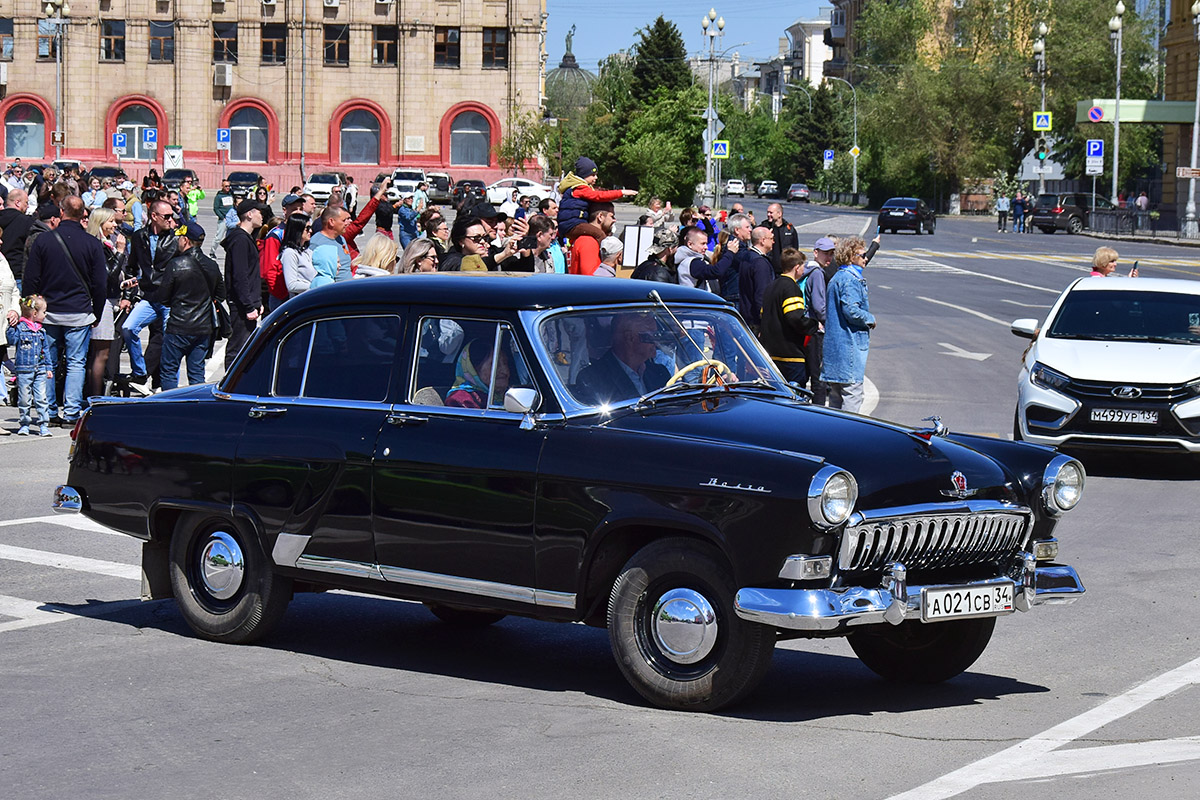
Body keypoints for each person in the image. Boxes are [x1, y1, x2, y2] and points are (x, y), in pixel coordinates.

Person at [21, 196, 107, 424]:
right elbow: (100, 283)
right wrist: (96, 311)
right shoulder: (91, 243)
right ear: (83, 215)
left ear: (61, 211)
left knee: (47, 363)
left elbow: (31, 278)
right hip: (79, 311)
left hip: (47, 312)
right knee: (76, 363)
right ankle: (70, 411)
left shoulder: (44, 241)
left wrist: (30, 309)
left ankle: (47, 411)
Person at [158, 222, 224, 391]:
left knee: (169, 371)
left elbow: (163, 298)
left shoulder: (176, 264)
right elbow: (221, 295)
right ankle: (197, 408)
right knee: (197, 372)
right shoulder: (212, 265)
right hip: (203, 327)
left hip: (179, 326)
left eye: (180, 238)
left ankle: (170, 406)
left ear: (185, 240)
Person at [122, 198, 179, 392]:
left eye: (172, 216)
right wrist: (129, 293)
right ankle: (140, 372)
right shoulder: (140, 236)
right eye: (167, 216)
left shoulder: (175, 237)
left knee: (168, 339)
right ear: (154, 216)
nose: (171, 220)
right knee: (128, 328)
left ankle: (168, 385)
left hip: (169, 298)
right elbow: (131, 266)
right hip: (149, 295)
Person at [822, 236, 877, 413]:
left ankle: (834, 436)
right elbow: (851, 311)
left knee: (836, 398)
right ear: (851, 256)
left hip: (836, 349)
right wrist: (870, 318)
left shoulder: (838, 277)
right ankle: (847, 437)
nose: (866, 258)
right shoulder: (850, 279)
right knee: (852, 396)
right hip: (849, 347)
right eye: (862, 255)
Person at [84, 208, 130, 399]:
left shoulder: (105, 244)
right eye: (110, 221)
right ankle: (95, 395)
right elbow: (107, 275)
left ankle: (93, 393)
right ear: (100, 223)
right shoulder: (99, 246)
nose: (114, 225)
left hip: (109, 299)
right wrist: (119, 252)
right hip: (103, 303)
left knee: (98, 353)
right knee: (101, 353)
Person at [575, 312, 670, 404]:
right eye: (652, 336)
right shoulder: (593, 379)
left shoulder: (660, 373)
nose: (656, 343)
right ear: (630, 338)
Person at [759, 247, 817, 385]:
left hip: (770, 352)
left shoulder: (771, 286)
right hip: (790, 354)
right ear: (797, 267)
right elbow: (794, 317)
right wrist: (813, 325)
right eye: (803, 266)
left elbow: (763, 314)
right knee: (794, 394)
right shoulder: (791, 287)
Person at [223, 198, 265, 367]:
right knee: (237, 347)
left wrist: (257, 301)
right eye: (259, 212)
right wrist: (248, 305)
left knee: (245, 347)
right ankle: (229, 386)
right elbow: (240, 276)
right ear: (249, 214)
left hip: (248, 302)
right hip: (241, 305)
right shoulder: (240, 239)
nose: (262, 216)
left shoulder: (246, 238)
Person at [6, 294, 54, 436]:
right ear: (34, 313)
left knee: (41, 398)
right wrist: (11, 327)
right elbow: (12, 341)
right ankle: (25, 423)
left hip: (39, 369)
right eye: (44, 312)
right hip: (23, 370)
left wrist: (48, 368)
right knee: (24, 399)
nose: (45, 315)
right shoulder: (20, 328)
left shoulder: (41, 331)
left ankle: (43, 424)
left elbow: (46, 351)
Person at [555, 156, 636, 238]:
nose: (596, 178)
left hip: (572, 223)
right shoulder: (579, 188)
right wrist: (621, 192)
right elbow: (599, 196)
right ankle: (603, 250)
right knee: (599, 234)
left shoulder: (580, 187)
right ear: (584, 175)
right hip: (572, 224)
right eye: (593, 175)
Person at [800, 237, 835, 405]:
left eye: (831, 254)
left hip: (804, 327)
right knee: (818, 377)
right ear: (815, 253)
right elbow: (819, 306)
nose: (829, 258)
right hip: (815, 329)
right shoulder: (818, 274)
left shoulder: (805, 269)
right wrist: (828, 323)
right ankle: (819, 411)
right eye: (825, 254)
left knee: (804, 373)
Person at [446, 337, 510, 408]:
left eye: (505, 363)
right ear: (473, 369)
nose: (505, 370)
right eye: (496, 365)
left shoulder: (509, 397)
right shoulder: (460, 400)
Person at [738, 226, 776, 333]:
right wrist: (764, 321)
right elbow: (762, 294)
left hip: (746, 314)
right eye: (771, 238)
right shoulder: (760, 263)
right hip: (756, 321)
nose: (773, 241)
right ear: (763, 240)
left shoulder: (747, 257)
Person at [568, 201, 615, 276]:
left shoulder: (586, 238)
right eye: (612, 216)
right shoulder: (588, 241)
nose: (614, 220)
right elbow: (591, 278)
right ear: (600, 216)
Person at [310, 205, 353, 282]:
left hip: (348, 287)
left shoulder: (341, 239)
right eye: (344, 220)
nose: (348, 222)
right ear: (331, 222)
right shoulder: (316, 243)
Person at [0, 190, 33, 290]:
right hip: (16, 274)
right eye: (26, 202)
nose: (27, 206)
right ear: (17, 202)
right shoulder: (26, 222)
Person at [280, 213, 316, 296]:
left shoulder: (307, 251)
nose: (311, 231)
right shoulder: (289, 253)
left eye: (311, 228)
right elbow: (291, 285)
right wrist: (316, 286)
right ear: (298, 229)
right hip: (301, 300)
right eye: (307, 228)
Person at [765, 203, 799, 271]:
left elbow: (795, 249)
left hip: (786, 268)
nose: (768, 215)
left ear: (779, 214)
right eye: (768, 212)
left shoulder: (789, 229)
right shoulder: (764, 228)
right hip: (769, 267)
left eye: (771, 212)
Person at [209, 179, 234, 256]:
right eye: (226, 186)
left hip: (231, 220)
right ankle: (212, 252)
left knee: (231, 237)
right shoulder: (219, 196)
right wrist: (222, 217)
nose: (228, 188)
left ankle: (230, 252)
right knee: (218, 238)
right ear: (222, 186)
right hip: (223, 220)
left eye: (229, 186)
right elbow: (216, 208)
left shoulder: (230, 194)